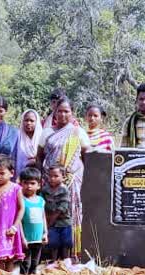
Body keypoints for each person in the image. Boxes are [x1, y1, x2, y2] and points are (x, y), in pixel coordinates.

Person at [36, 97, 91, 258]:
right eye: (59, 111)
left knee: (70, 214)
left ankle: (72, 254)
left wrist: (84, 177)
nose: (63, 114)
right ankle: (49, 254)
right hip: (50, 181)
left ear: (72, 113)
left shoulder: (78, 132)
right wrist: (42, 177)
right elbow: (39, 156)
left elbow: (86, 156)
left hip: (72, 180)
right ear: (55, 112)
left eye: (66, 111)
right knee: (50, 213)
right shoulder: (46, 132)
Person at [41, 165, 72, 261]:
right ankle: (54, 260)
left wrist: (50, 221)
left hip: (64, 221)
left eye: (56, 176)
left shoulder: (64, 190)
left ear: (63, 177)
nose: (52, 179)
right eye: (50, 176)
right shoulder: (45, 189)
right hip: (51, 221)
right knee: (53, 243)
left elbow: (62, 208)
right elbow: (42, 203)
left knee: (66, 243)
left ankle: (66, 261)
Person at [19, 167, 47, 275]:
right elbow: (19, 221)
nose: (29, 186)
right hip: (26, 239)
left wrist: (45, 233)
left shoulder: (41, 200)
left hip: (38, 238)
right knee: (25, 263)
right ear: (21, 183)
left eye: (32, 183)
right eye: (25, 183)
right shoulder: (21, 200)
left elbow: (43, 217)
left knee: (35, 263)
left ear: (39, 185)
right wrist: (22, 238)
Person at [12, 109, 42, 176]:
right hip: (20, 173)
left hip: (38, 173)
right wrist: (26, 162)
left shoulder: (42, 137)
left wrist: (36, 161)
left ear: (37, 122)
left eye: (32, 121)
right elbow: (13, 157)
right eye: (26, 120)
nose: (28, 123)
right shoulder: (17, 136)